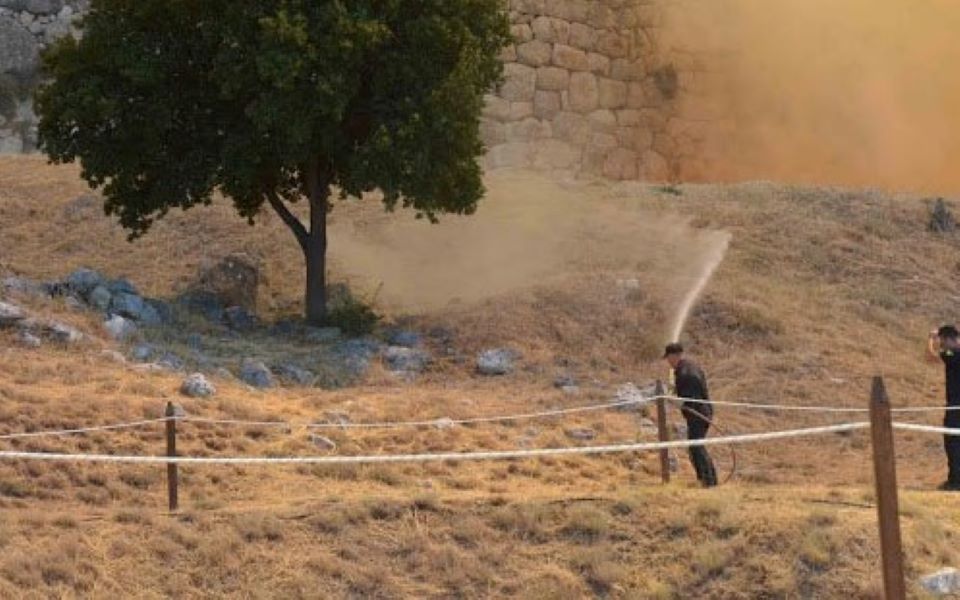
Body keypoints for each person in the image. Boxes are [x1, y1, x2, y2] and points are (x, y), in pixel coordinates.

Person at [663, 342, 718, 487]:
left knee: (697, 447)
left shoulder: (686, 373)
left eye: (668, 358)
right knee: (695, 446)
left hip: (698, 413)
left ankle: (709, 481)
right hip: (701, 411)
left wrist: (674, 401)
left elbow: (690, 399)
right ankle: (705, 479)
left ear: (674, 356)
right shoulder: (688, 367)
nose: (668, 362)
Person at [927, 325, 960, 491]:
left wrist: (930, 339)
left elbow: (930, 358)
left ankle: (956, 481)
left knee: (953, 443)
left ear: (947, 339)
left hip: (956, 409)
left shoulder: (952, 354)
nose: (941, 344)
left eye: (941, 340)